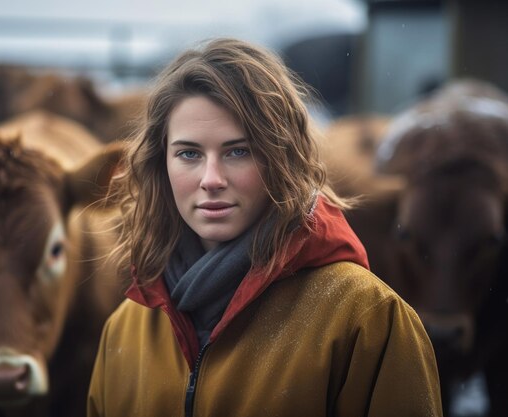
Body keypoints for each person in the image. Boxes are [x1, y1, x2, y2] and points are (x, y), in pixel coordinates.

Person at [87, 38, 442, 417]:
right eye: (189, 153)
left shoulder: (367, 319)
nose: (211, 179)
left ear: (280, 158)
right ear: (161, 164)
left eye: (238, 151)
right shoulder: (125, 330)